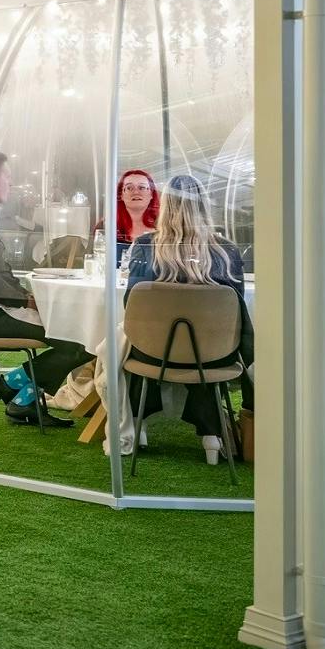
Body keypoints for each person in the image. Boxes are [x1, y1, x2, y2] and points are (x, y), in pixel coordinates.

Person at [0, 151, 91, 426]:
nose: (11, 184)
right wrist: (25, 300)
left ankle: (18, 393)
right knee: (79, 339)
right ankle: (15, 391)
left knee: (74, 335)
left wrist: (24, 296)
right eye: (8, 178)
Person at [123, 174, 253, 464]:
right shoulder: (226, 250)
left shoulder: (146, 246)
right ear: (204, 206)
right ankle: (210, 434)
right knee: (201, 347)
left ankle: (138, 422)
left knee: (133, 340)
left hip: (153, 353)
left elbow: (130, 305)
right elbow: (237, 307)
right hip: (214, 355)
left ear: (165, 205)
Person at [93, 168, 159, 265]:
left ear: (151, 194)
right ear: (121, 195)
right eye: (129, 188)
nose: (136, 192)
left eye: (142, 187)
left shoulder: (163, 225)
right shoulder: (106, 225)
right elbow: (96, 262)